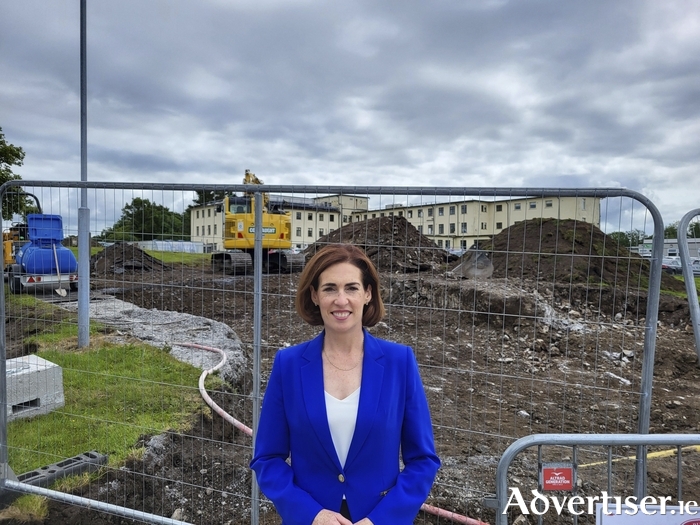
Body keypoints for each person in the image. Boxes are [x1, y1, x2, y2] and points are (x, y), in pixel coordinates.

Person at [250, 243, 440, 525]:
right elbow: (267, 459)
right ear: (314, 295)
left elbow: (424, 461)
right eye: (329, 289)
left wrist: (382, 520)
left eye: (351, 288)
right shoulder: (288, 365)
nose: (341, 299)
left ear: (367, 294)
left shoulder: (400, 362)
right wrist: (311, 514)